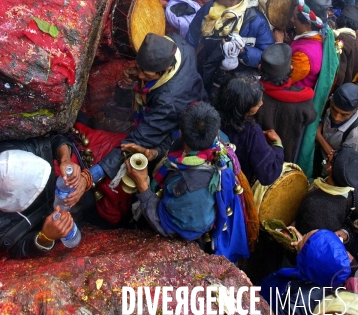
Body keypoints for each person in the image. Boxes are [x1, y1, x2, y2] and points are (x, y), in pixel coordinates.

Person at [125, 102, 249, 263]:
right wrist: (153, 153)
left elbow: (173, 229)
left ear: (181, 132)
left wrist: (143, 188)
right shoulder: (216, 143)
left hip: (188, 238)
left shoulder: (196, 191)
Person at [91, 33, 207, 184]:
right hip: (191, 91)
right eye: (138, 67)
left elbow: (140, 138)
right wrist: (140, 73)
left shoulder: (168, 102)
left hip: (181, 118)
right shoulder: (176, 43)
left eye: (146, 74)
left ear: (168, 68)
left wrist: (95, 172)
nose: (139, 75)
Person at [0, 135, 90, 258]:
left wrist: (65, 159)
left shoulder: (9, 154)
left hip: (67, 200)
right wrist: (45, 236)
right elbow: (18, 248)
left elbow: (52, 139)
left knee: (89, 202)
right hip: (46, 221)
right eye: (37, 187)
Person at [186, 0, 274, 93]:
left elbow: (267, 57)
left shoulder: (256, 22)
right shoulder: (209, 8)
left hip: (233, 86)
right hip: (204, 74)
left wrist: (243, 51)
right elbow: (191, 38)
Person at [261, 229, 351, 315]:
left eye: (304, 238)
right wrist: (302, 248)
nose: (302, 236)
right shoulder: (332, 277)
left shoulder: (298, 301)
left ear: (308, 260)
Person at [255, 43, 317, 162]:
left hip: (257, 155)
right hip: (285, 156)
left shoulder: (253, 94)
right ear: (291, 69)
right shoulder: (302, 99)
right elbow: (311, 118)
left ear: (260, 68)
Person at [217, 75, 284, 184]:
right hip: (236, 185)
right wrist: (278, 145)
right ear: (244, 106)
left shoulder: (213, 117)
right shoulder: (252, 132)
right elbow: (268, 174)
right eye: (257, 102)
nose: (261, 103)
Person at [296, 146, 358, 235]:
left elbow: (307, 237)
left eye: (335, 155)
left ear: (330, 168)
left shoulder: (315, 205)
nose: (332, 151)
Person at [274, 0, 331, 89]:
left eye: (295, 17)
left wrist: (279, 44)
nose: (292, 19)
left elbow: (281, 79)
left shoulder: (305, 56)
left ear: (308, 24)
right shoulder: (319, 34)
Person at [316, 83, 358, 160]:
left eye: (344, 115)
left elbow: (342, 162)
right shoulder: (330, 104)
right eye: (334, 110)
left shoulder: (356, 135)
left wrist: (319, 136)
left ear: (356, 110)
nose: (336, 118)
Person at [334, 5, 358, 87]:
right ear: (357, 29)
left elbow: (338, 73)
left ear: (336, 21)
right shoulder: (357, 48)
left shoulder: (339, 38)